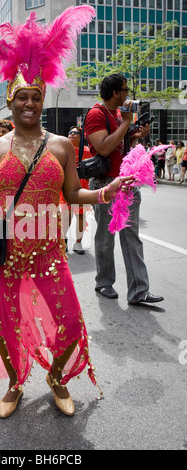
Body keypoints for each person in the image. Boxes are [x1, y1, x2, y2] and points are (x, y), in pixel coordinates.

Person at [0, 7, 134, 418]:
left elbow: (73, 193)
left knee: (70, 323)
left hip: (47, 252)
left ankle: (56, 378)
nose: (30, 104)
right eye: (23, 97)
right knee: (6, 329)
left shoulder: (60, 146)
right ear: (10, 100)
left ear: (42, 101)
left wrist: (105, 191)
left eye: (36, 98)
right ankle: (16, 383)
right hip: (4, 253)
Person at [85, 73, 164, 305]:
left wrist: (135, 135)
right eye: (125, 90)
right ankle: (104, 282)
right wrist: (127, 123)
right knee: (106, 237)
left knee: (132, 237)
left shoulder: (119, 114)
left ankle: (139, 290)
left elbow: (120, 145)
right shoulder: (96, 114)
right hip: (105, 183)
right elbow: (103, 148)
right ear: (115, 92)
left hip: (127, 182)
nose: (128, 93)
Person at [60, 126, 92, 254]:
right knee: (66, 215)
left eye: (75, 133)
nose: (71, 134)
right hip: (66, 185)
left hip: (81, 186)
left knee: (80, 215)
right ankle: (63, 240)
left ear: (82, 136)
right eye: (70, 132)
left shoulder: (87, 151)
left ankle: (78, 243)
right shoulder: (62, 149)